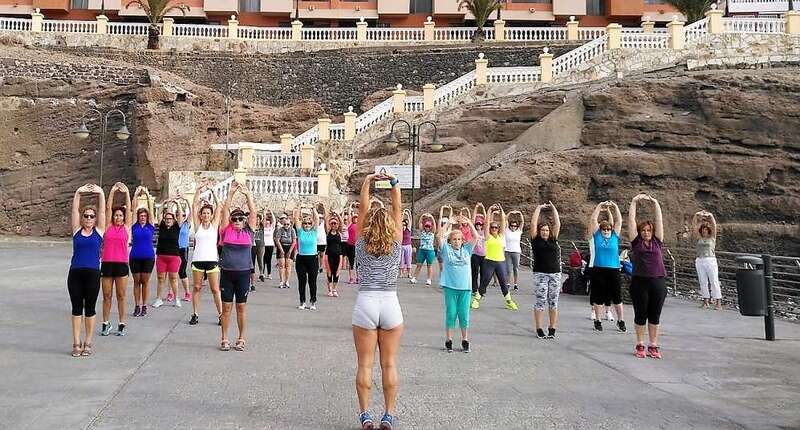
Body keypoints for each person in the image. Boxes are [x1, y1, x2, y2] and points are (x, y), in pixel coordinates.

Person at [352, 173, 403, 430]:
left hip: (366, 302)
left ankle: (365, 415)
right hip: (390, 302)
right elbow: (398, 207)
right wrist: (393, 183)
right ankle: (388, 414)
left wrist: (368, 181)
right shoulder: (396, 242)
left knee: (365, 364)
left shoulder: (361, 243)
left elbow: (362, 208)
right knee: (389, 364)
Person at [218, 182, 257, 351]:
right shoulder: (226, 230)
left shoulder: (249, 231)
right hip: (227, 274)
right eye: (234, 219)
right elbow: (225, 211)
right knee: (226, 308)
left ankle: (241, 338)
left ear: (244, 220)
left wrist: (247, 195)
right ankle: (224, 338)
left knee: (241, 307)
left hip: (243, 274)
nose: (237, 221)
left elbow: (253, 212)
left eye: (240, 218)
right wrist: (231, 194)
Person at [68, 184, 106, 357]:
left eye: (92, 216)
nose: (89, 218)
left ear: (95, 219)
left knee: (90, 308)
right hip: (75, 273)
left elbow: (103, 211)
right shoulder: (77, 230)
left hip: (92, 273)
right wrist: (79, 192)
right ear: (82, 218)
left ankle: (88, 342)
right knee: (77, 308)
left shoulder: (99, 232)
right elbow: (74, 210)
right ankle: (76, 342)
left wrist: (100, 193)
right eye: (86, 216)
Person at [628, 194, 667, 359]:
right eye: (643, 230)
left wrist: (655, 203)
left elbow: (659, 221)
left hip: (658, 281)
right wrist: (634, 202)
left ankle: (653, 345)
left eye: (648, 230)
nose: (646, 233)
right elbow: (631, 220)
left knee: (655, 314)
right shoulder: (636, 242)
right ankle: (640, 344)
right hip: (639, 282)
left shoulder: (657, 241)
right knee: (640, 314)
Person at [437, 215, 478, 353]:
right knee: (451, 313)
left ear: (462, 240)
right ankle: (449, 339)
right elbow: (439, 236)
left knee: (464, 314)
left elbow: (476, 237)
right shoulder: (446, 249)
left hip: (465, 287)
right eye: (454, 239)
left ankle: (465, 339)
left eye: (459, 239)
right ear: (450, 240)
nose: (456, 241)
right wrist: (448, 223)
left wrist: (469, 223)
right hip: (450, 286)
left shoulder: (467, 249)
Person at [587, 200, 626, 332]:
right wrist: (600, 205)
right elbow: (593, 220)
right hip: (599, 269)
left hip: (614, 269)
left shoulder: (614, 236)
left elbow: (619, 221)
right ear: (600, 229)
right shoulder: (597, 236)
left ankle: (621, 320)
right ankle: (598, 320)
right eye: (604, 229)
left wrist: (615, 206)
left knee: (617, 297)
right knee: (598, 296)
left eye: (608, 229)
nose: (606, 231)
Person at [100, 182, 132, 337]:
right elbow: (107, 208)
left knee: (121, 296)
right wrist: (112, 191)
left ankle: (121, 323)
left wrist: (126, 193)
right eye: (116, 215)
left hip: (121, 265)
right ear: (113, 216)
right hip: (107, 264)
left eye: (121, 215)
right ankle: (106, 323)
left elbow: (130, 209)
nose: (118, 217)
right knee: (107, 296)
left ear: (124, 217)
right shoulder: (107, 227)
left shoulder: (126, 228)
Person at [189, 184, 223, 326]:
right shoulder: (198, 226)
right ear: (201, 215)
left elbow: (219, 207)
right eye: (204, 213)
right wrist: (198, 191)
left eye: (208, 213)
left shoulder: (214, 225)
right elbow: (194, 206)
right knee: (197, 287)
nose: (206, 215)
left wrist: (213, 191)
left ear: (211, 215)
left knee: (215, 289)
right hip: (198, 260)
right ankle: (195, 313)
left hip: (212, 261)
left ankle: (221, 315)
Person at [474, 204, 519, 310]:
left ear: (498, 229)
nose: (494, 228)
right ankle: (476, 300)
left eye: (496, 227)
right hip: (489, 261)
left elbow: (503, 221)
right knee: (485, 281)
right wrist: (489, 210)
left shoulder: (501, 236)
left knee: (504, 282)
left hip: (500, 262)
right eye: (492, 227)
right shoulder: (487, 236)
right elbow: (486, 223)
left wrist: (501, 210)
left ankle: (509, 301)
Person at [530, 202, 562, 339]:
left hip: (555, 274)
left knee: (553, 301)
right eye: (543, 230)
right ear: (539, 231)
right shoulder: (535, 240)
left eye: (547, 230)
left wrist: (553, 209)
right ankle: (539, 328)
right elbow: (533, 224)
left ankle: (552, 327)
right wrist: (538, 208)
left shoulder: (553, 240)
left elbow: (557, 224)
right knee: (540, 301)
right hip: (540, 274)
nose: (545, 232)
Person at [152, 200, 183, 309]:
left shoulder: (177, 227)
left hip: (174, 256)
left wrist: (177, 203)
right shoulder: (162, 226)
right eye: (167, 219)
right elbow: (159, 214)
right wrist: (163, 203)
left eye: (170, 219)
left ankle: (177, 298)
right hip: (161, 256)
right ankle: (159, 299)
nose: (168, 220)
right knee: (161, 278)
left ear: (173, 220)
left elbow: (180, 215)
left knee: (173, 278)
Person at [130, 187, 155, 318]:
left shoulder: (150, 226)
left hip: (148, 257)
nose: (143, 217)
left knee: (145, 282)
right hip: (135, 257)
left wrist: (147, 194)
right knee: (136, 282)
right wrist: (135, 195)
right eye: (141, 216)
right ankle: (137, 305)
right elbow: (133, 209)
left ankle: (144, 305)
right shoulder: (134, 226)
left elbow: (151, 210)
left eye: (145, 216)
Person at [293, 204, 320, 310]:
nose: (307, 225)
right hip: (301, 259)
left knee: (312, 281)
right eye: (305, 223)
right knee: (302, 281)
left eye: (309, 223)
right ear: (303, 224)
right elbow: (296, 218)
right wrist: (300, 207)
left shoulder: (314, 231)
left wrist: (313, 209)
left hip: (312, 259)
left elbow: (316, 219)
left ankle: (313, 301)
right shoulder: (300, 232)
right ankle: (302, 301)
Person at [693, 210, 721, 310]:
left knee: (714, 281)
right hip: (700, 260)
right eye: (703, 230)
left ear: (708, 230)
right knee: (703, 281)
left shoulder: (712, 238)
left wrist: (710, 216)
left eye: (706, 229)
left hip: (710, 260)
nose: (704, 231)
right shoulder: (698, 238)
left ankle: (718, 303)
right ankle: (706, 301)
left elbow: (714, 226)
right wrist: (696, 215)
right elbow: (694, 226)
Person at [410, 213, 436, 286]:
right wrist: (422, 216)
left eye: (429, 226)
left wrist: (431, 217)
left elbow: (434, 225)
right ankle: (414, 278)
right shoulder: (422, 232)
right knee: (419, 265)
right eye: (426, 226)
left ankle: (429, 279)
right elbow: (420, 223)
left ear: (430, 227)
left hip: (430, 250)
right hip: (422, 250)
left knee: (429, 265)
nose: (427, 227)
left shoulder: (432, 233)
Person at [470, 203, 487, 309]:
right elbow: (472, 221)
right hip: (475, 255)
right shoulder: (474, 232)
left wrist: (483, 208)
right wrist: (476, 208)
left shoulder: (485, 232)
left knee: (484, 274)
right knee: (475, 273)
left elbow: (487, 220)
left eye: (480, 224)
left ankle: (482, 290)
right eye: (477, 224)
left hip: (484, 255)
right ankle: (474, 289)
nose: (478, 226)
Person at [274, 213, 296, 289]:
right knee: (282, 265)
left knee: (288, 265)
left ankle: (287, 281)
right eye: (285, 224)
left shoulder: (292, 230)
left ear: (290, 224)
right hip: (282, 246)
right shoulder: (280, 230)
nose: (286, 226)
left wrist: (290, 251)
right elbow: (277, 240)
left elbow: (294, 241)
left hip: (290, 246)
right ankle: (281, 281)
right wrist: (281, 250)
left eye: (288, 224)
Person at [324, 211, 344, 297]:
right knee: (329, 272)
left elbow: (341, 222)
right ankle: (330, 289)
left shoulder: (339, 232)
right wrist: (329, 214)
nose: (333, 225)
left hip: (338, 254)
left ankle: (334, 289)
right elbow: (325, 222)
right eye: (332, 223)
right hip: (329, 254)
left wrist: (338, 215)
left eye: (335, 223)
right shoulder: (328, 231)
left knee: (336, 272)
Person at [177, 197, 193, 302]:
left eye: (183, 215)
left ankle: (187, 292)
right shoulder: (175, 224)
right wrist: (174, 202)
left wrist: (186, 201)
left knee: (182, 271)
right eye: (179, 215)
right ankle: (171, 293)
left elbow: (191, 212)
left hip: (183, 249)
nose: (181, 216)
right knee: (172, 272)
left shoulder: (187, 224)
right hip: (174, 249)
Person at [504, 210, 524, 291]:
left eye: (515, 226)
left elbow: (522, 222)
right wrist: (510, 213)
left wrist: (520, 213)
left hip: (516, 252)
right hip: (507, 251)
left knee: (516, 268)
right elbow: (505, 219)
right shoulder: (506, 230)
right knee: (508, 269)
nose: (513, 227)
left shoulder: (519, 231)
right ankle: (508, 283)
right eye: (512, 226)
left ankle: (515, 284)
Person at [251, 213, 265, 291]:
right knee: (252, 261)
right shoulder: (251, 226)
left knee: (260, 259)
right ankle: (252, 276)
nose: (257, 220)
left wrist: (264, 213)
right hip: (252, 246)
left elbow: (266, 220)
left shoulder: (262, 227)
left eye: (258, 219)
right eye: (256, 219)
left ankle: (261, 273)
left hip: (260, 245)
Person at [345, 208, 359, 284]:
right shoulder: (350, 224)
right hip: (350, 245)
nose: (355, 219)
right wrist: (350, 207)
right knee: (351, 263)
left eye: (357, 218)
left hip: (357, 246)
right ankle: (351, 278)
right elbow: (349, 215)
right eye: (354, 218)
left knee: (358, 263)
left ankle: (358, 278)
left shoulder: (360, 225)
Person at [262, 208, 276, 281]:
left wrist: (271, 211)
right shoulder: (263, 228)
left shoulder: (272, 228)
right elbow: (263, 220)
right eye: (266, 223)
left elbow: (274, 220)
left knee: (269, 260)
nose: (267, 223)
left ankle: (269, 274)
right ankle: (262, 273)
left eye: (268, 222)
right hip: (264, 245)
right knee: (263, 259)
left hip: (270, 245)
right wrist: (264, 213)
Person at [399, 211, 413, 279]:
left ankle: (409, 273)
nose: (404, 226)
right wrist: (402, 214)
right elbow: (399, 222)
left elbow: (410, 221)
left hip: (408, 246)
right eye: (403, 224)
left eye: (405, 225)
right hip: (402, 246)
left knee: (408, 259)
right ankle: (401, 273)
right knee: (401, 260)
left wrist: (408, 214)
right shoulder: (400, 230)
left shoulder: (408, 229)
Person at [316, 207, 327, 274]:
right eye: (319, 218)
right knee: (316, 255)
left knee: (322, 255)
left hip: (322, 241)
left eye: (321, 218)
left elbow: (326, 216)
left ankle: (321, 267)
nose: (320, 219)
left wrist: (324, 208)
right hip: (316, 242)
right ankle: (317, 267)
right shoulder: (315, 223)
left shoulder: (323, 223)